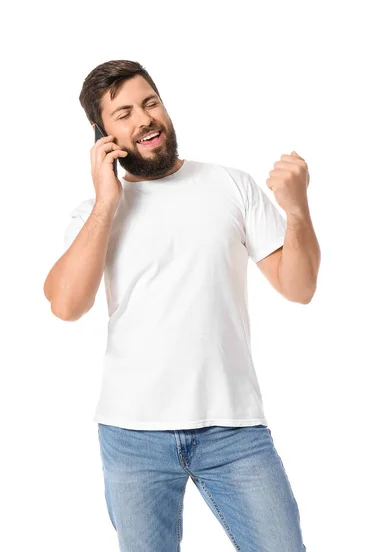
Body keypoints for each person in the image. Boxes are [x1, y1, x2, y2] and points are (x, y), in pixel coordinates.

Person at [44, 60, 320, 551]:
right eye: (123, 113)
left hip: (234, 431)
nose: (144, 119)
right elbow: (66, 305)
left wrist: (297, 211)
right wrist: (107, 201)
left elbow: (298, 288)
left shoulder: (229, 185)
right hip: (133, 436)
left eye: (150, 103)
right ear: (101, 134)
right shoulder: (93, 214)